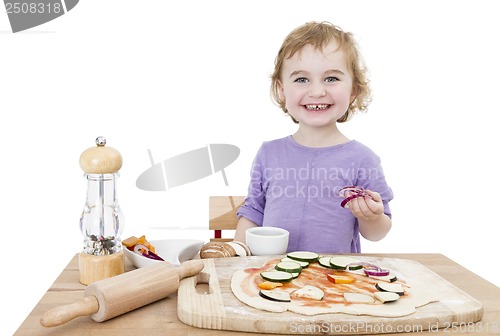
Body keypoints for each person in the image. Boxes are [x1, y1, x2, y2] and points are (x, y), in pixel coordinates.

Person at [233, 21, 393, 253]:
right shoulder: (269, 153)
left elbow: (377, 233)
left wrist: (371, 216)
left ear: (353, 91)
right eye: (301, 79)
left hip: (332, 281)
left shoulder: (363, 159)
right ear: (281, 89)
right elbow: (253, 212)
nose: (317, 91)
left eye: (331, 79)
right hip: (269, 277)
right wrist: (236, 255)